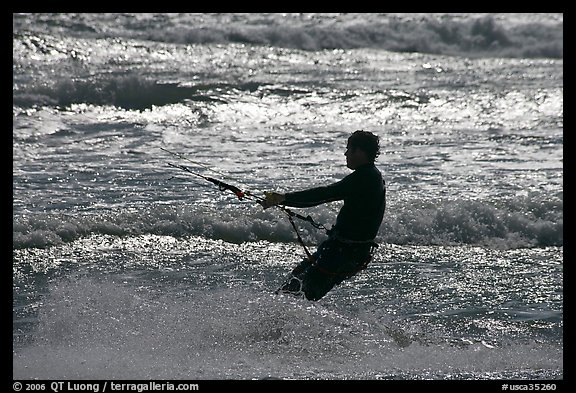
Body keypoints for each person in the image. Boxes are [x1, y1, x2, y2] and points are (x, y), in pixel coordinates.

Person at [260, 130, 386, 301]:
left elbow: (324, 194)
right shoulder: (372, 175)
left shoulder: (364, 178)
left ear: (360, 152)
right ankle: (276, 326)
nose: (345, 154)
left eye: (349, 149)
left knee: (296, 296)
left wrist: (283, 198)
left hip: (343, 254)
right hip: (342, 250)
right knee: (292, 287)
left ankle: (280, 326)